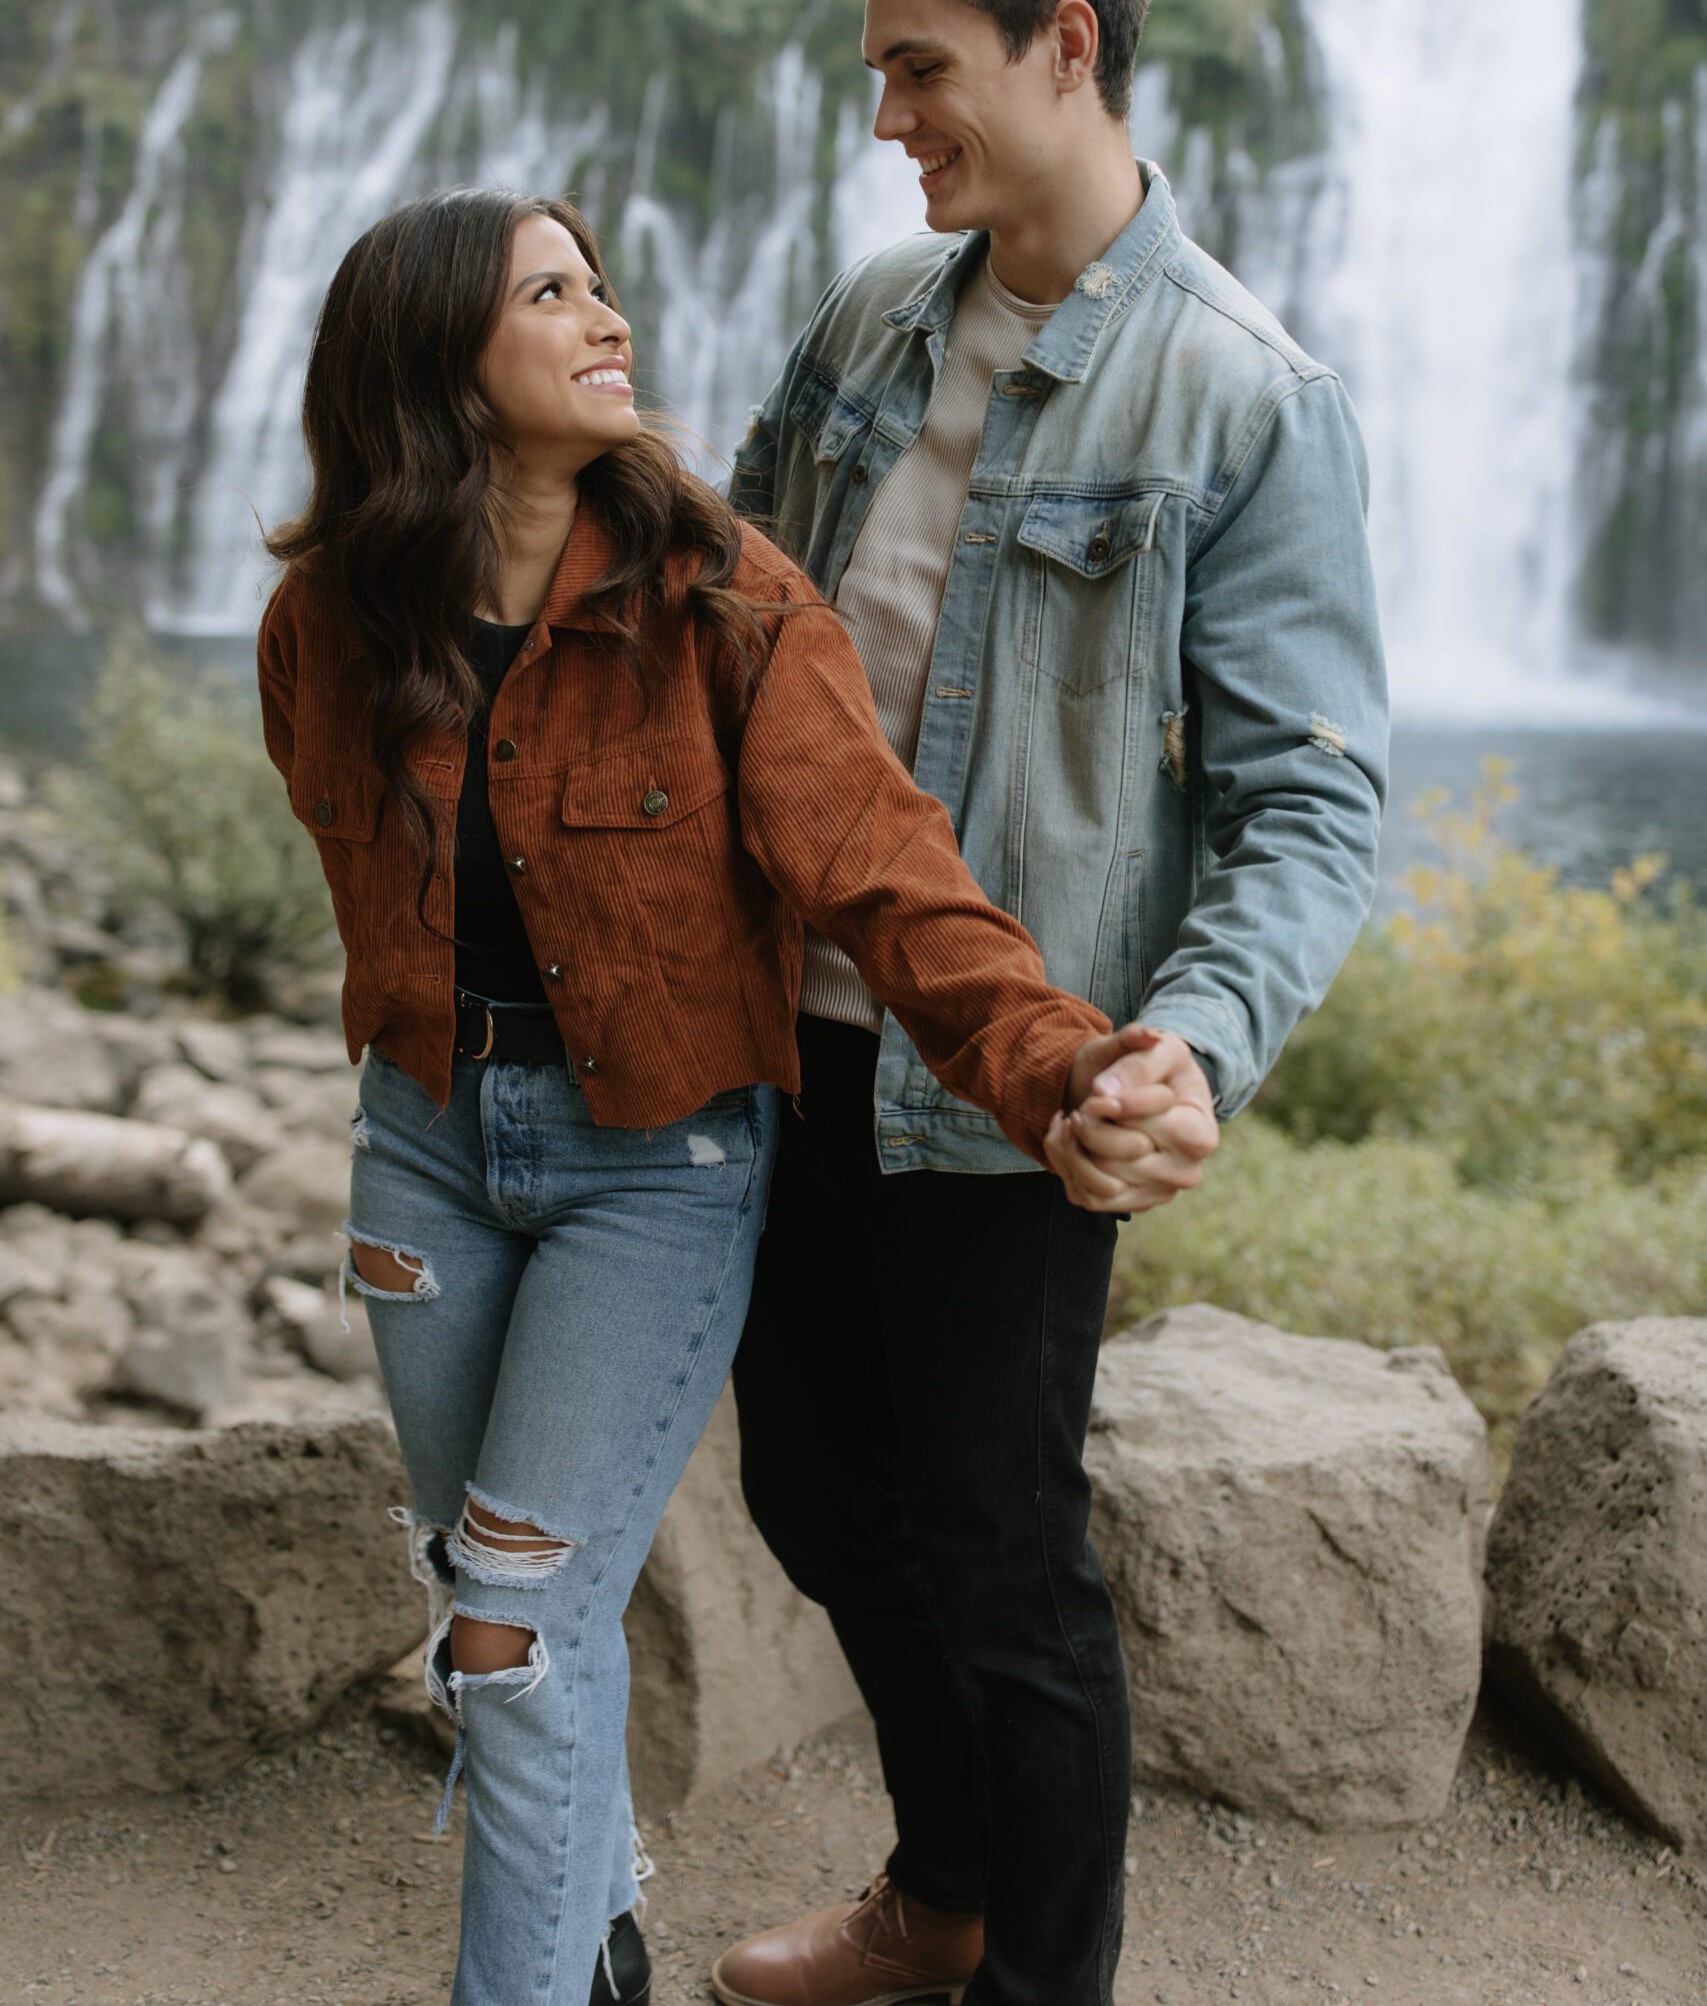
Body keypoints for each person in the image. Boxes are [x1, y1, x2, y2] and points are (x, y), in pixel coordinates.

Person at [256, 187, 1199, 2006]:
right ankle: (593, 1925)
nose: (607, 317)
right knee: (491, 1596)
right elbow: (352, 853)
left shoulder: (726, 599)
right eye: (551, 293)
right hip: (424, 1162)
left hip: (655, 1169)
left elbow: (888, 878)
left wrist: (1066, 1064)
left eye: (602, 284)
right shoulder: (328, 621)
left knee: (512, 1624)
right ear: (429, 358)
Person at [713, 0, 1388, 2006]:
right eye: (880, 72)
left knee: (1003, 1560)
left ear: (1063, 44)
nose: (885, 116)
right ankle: (945, 1896)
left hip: (1017, 1080)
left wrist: (1192, 1040)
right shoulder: (863, 322)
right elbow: (723, 613)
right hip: (789, 1030)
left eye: (920, 68)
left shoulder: (1247, 398)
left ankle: (1035, 1977)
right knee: (817, 1494)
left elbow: (1311, 799)